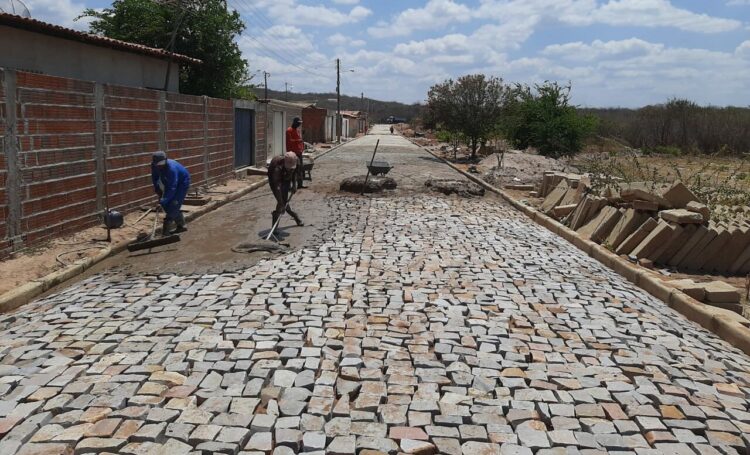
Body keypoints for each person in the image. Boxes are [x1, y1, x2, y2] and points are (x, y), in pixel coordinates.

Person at [151, 151, 190, 235]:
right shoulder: (154, 166)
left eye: (162, 163)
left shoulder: (171, 169)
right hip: (168, 180)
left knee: (174, 203)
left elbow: (172, 188)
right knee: (166, 204)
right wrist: (157, 189)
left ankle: (166, 232)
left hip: (181, 183)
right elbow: (155, 177)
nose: (160, 166)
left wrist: (162, 201)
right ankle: (181, 226)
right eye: (158, 164)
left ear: (165, 160)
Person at [268, 151, 304, 230]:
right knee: (281, 203)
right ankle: (275, 227)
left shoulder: (296, 161)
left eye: (291, 168)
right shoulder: (277, 168)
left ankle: (295, 218)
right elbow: (276, 187)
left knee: (284, 202)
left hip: (286, 179)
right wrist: (280, 202)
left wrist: (294, 185)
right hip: (275, 181)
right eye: (288, 168)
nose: (290, 169)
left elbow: (295, 173)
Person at [286, 117, 306, 189]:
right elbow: (290, 141)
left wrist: (302, 148)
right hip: (292, 153)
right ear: (294, 122)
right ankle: (289, 185)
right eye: (298, 123)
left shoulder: (298, 130)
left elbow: (301, 140)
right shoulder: (289, 130)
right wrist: (298, 140)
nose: (299, 125)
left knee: (300, 168)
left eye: (300, 123)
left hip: (299, 152)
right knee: (291, 170)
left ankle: (300, 184)